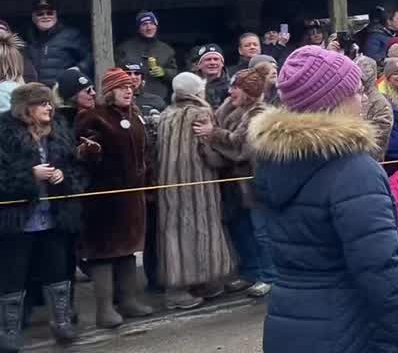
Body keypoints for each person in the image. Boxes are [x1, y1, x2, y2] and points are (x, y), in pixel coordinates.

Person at [249, 46, 398, 352]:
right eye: (356, 91)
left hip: (286, 325)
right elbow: (383, 278)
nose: (364, 97)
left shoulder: (272, 161)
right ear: (332, 103)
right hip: (350, 330)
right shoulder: (354, 171)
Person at [0, 83, 88, 348]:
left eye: (49, 102)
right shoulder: (4, 133)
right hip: (16, 220)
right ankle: (9, 331)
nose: (49, 107)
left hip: (54, 216)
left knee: (58, 272)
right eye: (41, 103)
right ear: (25, 108)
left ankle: (61, 324)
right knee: (12, 277)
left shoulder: (59, 130)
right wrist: (30, 176)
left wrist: (63, 177)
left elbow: (75, 168)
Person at [75, 68, 154, 328]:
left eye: (130, 87)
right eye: (122, 87)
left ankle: (129, 301)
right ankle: (104, 310)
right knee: (104, 254)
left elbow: (146, 153)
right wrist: (90, 151)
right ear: (109, 92)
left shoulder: (136, 115)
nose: (128, 91)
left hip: (133, 196)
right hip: (103, 199)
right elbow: (83, 153)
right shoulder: (93, 117)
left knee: (128, 250)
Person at [154, 72, 236, 310]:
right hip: (198, 183)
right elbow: (210, 152)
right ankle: (184, 289)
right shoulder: (200, 113)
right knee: (201, 229)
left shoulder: (166, 114)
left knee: (175, 233)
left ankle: (190, 283)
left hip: (169, 184)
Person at [200, 64, 275, 298]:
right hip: (234, 183)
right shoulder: (233, 109)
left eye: (236, 87)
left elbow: (241, 148)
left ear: (249, 91)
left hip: (255, 183)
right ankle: (250, 272)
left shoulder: (259, 113)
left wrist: (213, 134)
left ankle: (269, 276)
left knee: (261, 232)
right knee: (240, 229)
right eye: (231, 86)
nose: (230, 91)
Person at [24, 0, 91, 87]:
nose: (45, 16)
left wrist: (78, 68)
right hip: (37, 93)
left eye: (49, 13)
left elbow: (90, 56)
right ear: (33, 17)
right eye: (40, 14)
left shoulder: (71, 35)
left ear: (56, 15)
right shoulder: (28, 38)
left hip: (63, 91)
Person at [115, 10, 177, 102]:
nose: (149, 27)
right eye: (144, 24)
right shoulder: (125, 48)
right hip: (130, 97)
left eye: (152, 24)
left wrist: (164, 72)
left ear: (156, 26)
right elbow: (116, 73)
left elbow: (175, 74)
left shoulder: (166, 50)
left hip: (159, 99)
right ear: (138, 28)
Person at [193, 44, 230, 109]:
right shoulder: (191, 86)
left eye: (216, 59)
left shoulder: (232, 86)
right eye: (208, 59)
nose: (212, 62)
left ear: (222, 64)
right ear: (199, 65)